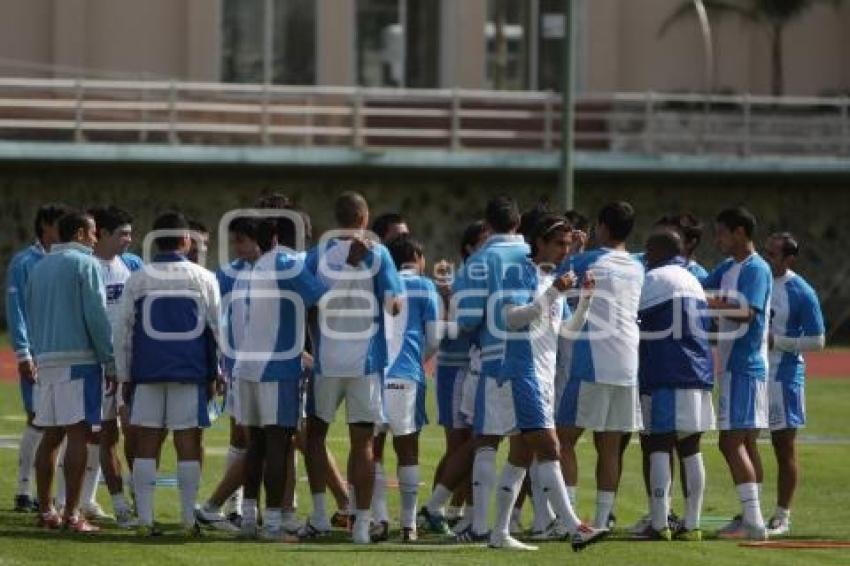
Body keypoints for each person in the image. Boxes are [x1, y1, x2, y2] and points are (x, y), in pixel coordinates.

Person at [489, 213, 608, 551]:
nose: (564, 251)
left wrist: (584, 299)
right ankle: (575, 527)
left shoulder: (554, 279)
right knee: (551, 448)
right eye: (559, 244)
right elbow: (509, 319)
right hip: (521, 373)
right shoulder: (522, 272)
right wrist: (554, 294)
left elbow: (568, 331)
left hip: (541, 377)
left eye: (568, 245)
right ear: (538, 242)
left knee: (520, 459)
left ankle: (499, 533)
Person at [300, 191, 403, 544]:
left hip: (327, 361)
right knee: (363, 444)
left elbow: (309, 302)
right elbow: (394, 306)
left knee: (315, 435)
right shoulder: (381, 253)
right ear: (364, 218)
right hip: (365, 362)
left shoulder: (318, 255)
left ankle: (318, 516)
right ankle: (360, 524)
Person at [115, 212, 223, 537]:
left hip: (146, 371)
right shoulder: (203, 277)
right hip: (189, 371)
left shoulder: (138, 278)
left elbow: (123, 333)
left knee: (147, 440)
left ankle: (145, 520)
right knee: (187, 441)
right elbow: (218, 329)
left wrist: (124, 374)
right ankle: (188, 519)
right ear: (186, 240)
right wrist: (217, 371)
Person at [231, 214, 328, 540]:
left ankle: (248, 519)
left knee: (255, 444)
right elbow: (321, 297)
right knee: (277, 444)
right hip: (276, 367)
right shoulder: (287, 261)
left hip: (248, 365)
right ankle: (272, 524)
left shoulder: (260, 264)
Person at [556, 201, 645, 530]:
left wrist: (577, 247)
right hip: (628, 363)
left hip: (592, 362)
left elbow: (553, 273)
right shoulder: (638, 266)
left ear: (602, 227)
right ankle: (604, 518)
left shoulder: (587, 259)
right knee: (610, 445)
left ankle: (570, 517)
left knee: (562, 439)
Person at [28, 210, 115, 532]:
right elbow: (96, 314)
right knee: (79, 434)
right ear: (80, 233)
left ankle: (46, 509)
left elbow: (30, 311)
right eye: (92, 233)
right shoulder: (86, 264)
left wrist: (38, 353)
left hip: (47, 359)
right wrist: (110, 360)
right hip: (79, 360)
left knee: (51, 436)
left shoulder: (39, 266)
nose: (95, 239)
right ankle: (73, 514)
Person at [449, 195, 530, 543]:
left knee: (487, 439)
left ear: (488, 223)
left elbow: (465, 319)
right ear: (519, 222)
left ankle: (481, 525)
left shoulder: (480, 261)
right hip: (540, 358)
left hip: (494, 356)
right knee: (529, 442)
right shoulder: (535, 254)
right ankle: (517, 523)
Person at [637, 230, 715, 541]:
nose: (644, 256)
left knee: (659, 443)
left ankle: (659, 523)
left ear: (656, 251)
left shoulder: (654, 279)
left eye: (646, 250)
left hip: (664, 371)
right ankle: (692, 524)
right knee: (690, 447)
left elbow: (632, 320)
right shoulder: (693, 280)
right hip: (698, 372)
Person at [703, 206, 772, 541]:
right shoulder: (729, 267)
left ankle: (754, 523)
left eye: (722, 232)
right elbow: (700, 285)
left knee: (730, 442)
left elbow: (747, 311)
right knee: (744, 442)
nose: (717, 239)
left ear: (740, 232)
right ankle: (750, 515)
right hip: (734, 365)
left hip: (744, 366)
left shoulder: (756, 268)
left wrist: (711, 303)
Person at [421, 220, 489, 535]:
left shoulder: (481, 275)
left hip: (474, 366)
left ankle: (456, 511)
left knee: (473, 445)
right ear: (469, 247)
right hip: (454, 367)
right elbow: (445, 328)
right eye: (484, 241)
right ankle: (438, 511)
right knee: (459, 445)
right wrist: (447, 296)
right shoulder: (461, 278)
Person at [195, 216, 261, 532]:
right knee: (245, 436)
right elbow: (214, 320)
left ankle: (248, 508)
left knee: (263, 440)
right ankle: (236, 508)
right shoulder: (227, 274)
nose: (237, 247)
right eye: (234, 241)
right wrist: (219, 365)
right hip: (238, 367)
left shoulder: (271, 270)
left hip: (265, 368)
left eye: (242, 240)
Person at [376, 234, 442, 542]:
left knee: (371, 450)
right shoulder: (424, 285)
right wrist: (419, 360)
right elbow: (434, 337)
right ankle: (408, 525)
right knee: (408, 451)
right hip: (406, 376)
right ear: (417, 257)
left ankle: (377, 520)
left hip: (374, 375)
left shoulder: (377, 283)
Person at [7, 202, 70, 512]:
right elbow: (16, 309)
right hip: (37, 352)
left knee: (65, 422)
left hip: (65, 351)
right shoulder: (24, 262)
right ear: (46, 225)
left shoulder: (69, 260)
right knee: (38, 419)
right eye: (61, 223)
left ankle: (58, 494)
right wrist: (23, 351)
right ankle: (22, 489)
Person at [762, 232, 825, 536]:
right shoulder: (758, 278)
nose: (767, 258)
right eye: (766, 252)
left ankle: (782, 515)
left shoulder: (801, 291)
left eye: (773, 254)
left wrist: (779, 341)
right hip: (754, 373)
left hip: (784, 377)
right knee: (740, 440)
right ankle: (749, 510)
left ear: (790, 259)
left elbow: (818, 340)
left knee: (783, 447)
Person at [88, 206, 143, 527]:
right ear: (104, 234)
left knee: (137, 433)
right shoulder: (88, 267)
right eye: (123, 233)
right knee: (105, 435)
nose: (129, 239)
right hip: (100, 367)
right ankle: (120, 505)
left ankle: (140, 496)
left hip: (133, 364)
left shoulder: (132, 265)